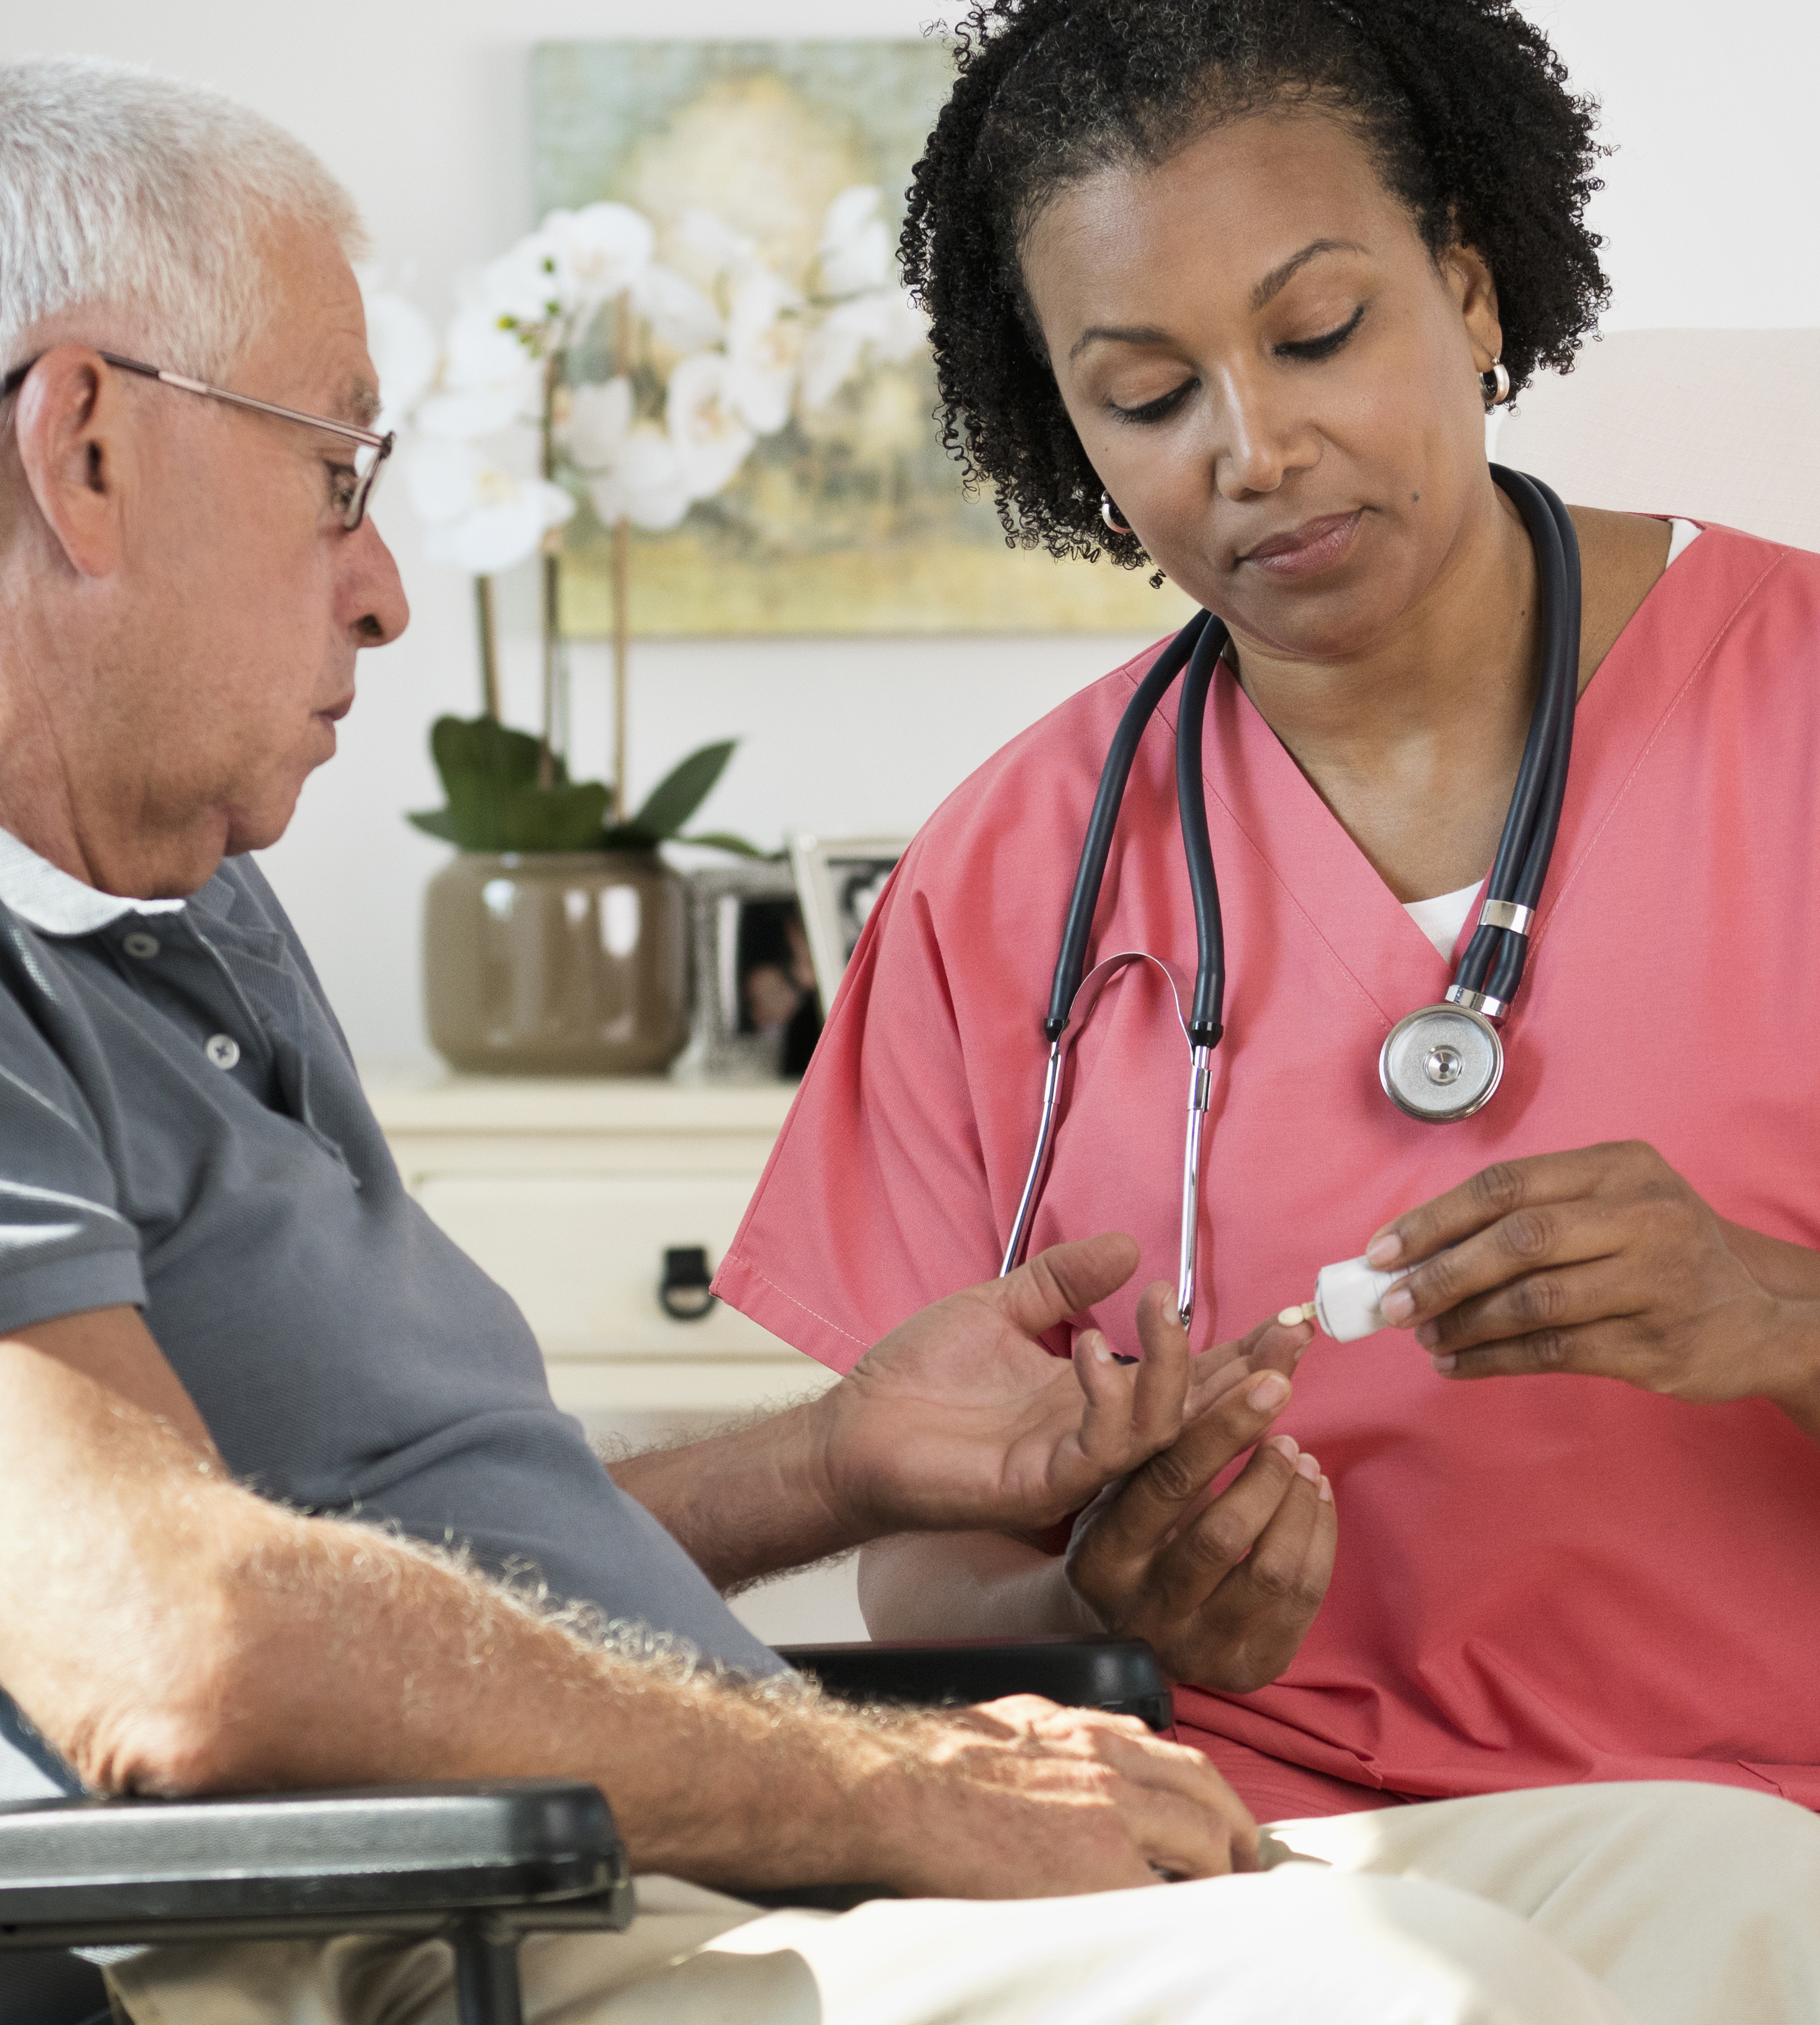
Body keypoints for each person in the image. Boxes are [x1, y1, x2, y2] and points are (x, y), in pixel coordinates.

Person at [0, 53, 1820, 2025]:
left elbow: (359, 1541)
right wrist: (885, 1789)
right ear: (83, 445)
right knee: (1439, 2005)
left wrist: (836, 1469)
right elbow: (171, 1650)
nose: (388, 577)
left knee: (1747, 1910)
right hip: (383, 1946)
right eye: (338, 472)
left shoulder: (139, 921)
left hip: (596, 1872)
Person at [718, 0, 1820, 1831]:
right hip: (1250, 1866)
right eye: (1145, 397)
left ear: (1467, 292)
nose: (1253, 446)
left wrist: (1779, 1314)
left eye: (1318, 332)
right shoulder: (1002, 878)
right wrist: (1096, 1605)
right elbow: (926, 1577)